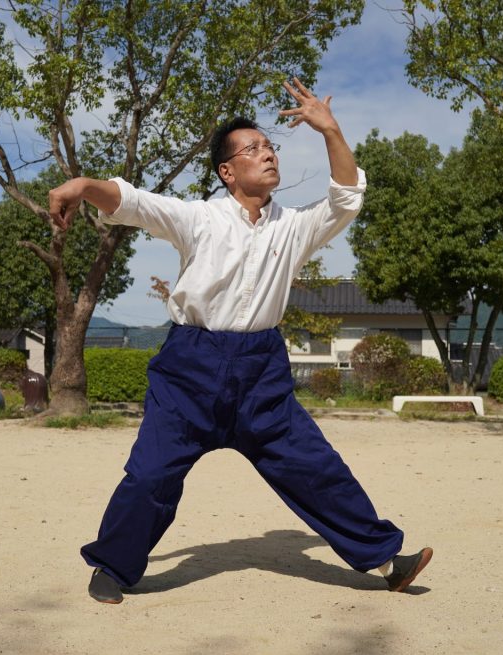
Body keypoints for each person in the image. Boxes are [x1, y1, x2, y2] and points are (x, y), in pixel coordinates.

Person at [48, 78, 432, 605]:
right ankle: (112, 567)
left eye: (270, 146)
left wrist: (331, 131)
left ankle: (387, 559)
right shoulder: (200, 218)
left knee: (316, 467)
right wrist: (84, 184)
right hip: (191, 368)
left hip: (261, 374)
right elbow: (133, 203)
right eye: (253, 149)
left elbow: (346, 199)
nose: (267, 154)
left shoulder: (293, 227)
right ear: (228, 171)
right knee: (151, 475)